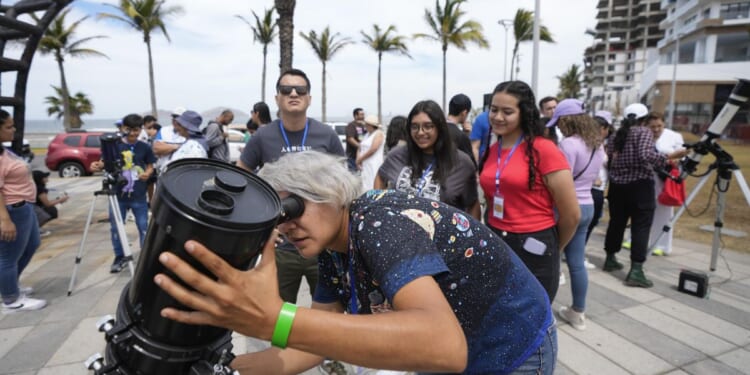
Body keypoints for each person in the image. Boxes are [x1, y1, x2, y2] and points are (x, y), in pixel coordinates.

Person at [154, 150, 557, 375]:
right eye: (279, 214)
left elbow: (442, 345)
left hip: (510, 346)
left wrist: (272, 318)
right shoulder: (333, 249)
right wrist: (223, 371)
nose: (287, 225)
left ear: (332, 193)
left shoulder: (379, 223)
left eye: (293, 206)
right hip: (464, 346)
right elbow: (308, 348)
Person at [238, 68, 345, 304]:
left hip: (324, 248)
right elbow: (241, 181)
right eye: (286, 90)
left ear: (309, 98)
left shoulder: (326, 135)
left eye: (301, 89)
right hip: (283, 246)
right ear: (277, 98)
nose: (293, 93)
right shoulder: (262, 137)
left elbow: (343, 185)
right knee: (280, 311)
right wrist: (263, 225)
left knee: (330, 310)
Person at [478, 81, 579, 302]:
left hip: (535, 245)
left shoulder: (544, 150)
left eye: (507, 112)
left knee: (532, 320)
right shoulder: (493, 150)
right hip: (496, 238)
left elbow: (571, 215)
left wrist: (554, 248)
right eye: (493, 110)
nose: (498, 117)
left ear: (524, 113)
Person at [603, 103, 687, 287]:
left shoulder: (617, 135)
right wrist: (668, 157)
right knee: (640, 227)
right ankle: (636, 270)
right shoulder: (643, 132)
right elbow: (645, 155)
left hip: (617, 186)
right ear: (644, 119)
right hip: (640, 186)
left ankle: (610, 258)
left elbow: (610, 157)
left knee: (616, 223)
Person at [547, 99, 605, 331]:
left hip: (566, 208)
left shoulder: (568, 145)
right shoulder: (597, 144)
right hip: (588, 205)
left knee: (551, 260)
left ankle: (543, 310)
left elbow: (562, 179)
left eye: (559, 122)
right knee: (577, 263)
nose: (558, 127)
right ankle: (578, 312)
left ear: (567, 120)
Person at [375, 100, 480, 219]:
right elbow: (380, 176)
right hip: (399, 232)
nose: (420, 132)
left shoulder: (461, 162)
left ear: (440, 127)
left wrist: (469, 236)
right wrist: (379, 211)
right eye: (414, 127)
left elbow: (472, 205)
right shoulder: (397, 155)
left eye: (428, 126)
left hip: (442, 235)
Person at [90, 114, 156, 273]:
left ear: (141, 130)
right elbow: (103, 162)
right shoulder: (115, 146)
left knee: (143, 227)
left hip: (139, 195)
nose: (133, 133)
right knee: (116, 228)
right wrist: (96, 166)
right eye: (130, 130)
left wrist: (147, 173)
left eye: (137, 130)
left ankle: (145, 257)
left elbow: (150, 165)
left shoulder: (144, 147)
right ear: (123, 128)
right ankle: (120, 257)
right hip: (117, 195)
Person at [1, 109, 47, 313]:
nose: (14, 130)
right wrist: (4, 220)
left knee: (32, 244)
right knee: (8, 256)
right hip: (12, 209)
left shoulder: (4, 151)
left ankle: (10, 285)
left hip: (24, 207)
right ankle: (10, 300)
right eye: (9, 127)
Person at [646, 112, 685, 256]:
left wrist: (676, 159)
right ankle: (634, 238)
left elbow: (683, 153)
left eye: (659, 126)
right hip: (647, 177)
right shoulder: (644, 136)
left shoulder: (674, 136)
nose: (656, 129)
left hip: (665, 179)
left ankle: (661, 245)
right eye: (652, 126)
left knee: (664, 211)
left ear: (664, 124)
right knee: (642, 210)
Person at [586, 111, 614, 243]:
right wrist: (593, 178)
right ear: (602, 129)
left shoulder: (601, 145)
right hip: (593, 189)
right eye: (607, 129)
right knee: (588, 223)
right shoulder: (592, 145)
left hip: (598, 189)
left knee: (590, 222)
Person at [152, 107, 187, 174]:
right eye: (174, 117)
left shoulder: (190, 132)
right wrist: (177, 147)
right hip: (165, 170)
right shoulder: (163, 130)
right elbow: (156, 149)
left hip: (184, 170)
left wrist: (166, 146)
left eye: (178, 118)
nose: (175, 120)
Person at [446, 93, 477, 167]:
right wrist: (467, 137)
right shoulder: (460, 136)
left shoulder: (436, 129)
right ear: (464, 113)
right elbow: (471, 164)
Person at [356, 114, 384, 191]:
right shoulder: (367, 134)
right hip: (365, 164)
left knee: (373, 183)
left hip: (373, 163)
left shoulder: (378, 134)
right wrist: (358, 159)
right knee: (365, 183)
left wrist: (360, 159)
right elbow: (360, 147)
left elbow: (373, 149)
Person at [345, 108, 366, 172]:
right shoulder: (351, 125)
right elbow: (350, 139)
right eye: (361, 115)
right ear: (356, 116)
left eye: (363, 114)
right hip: (352, 156)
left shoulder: (364, 126)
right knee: (354, 175)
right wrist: (360, 147)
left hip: (362, 156)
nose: (363, 116)